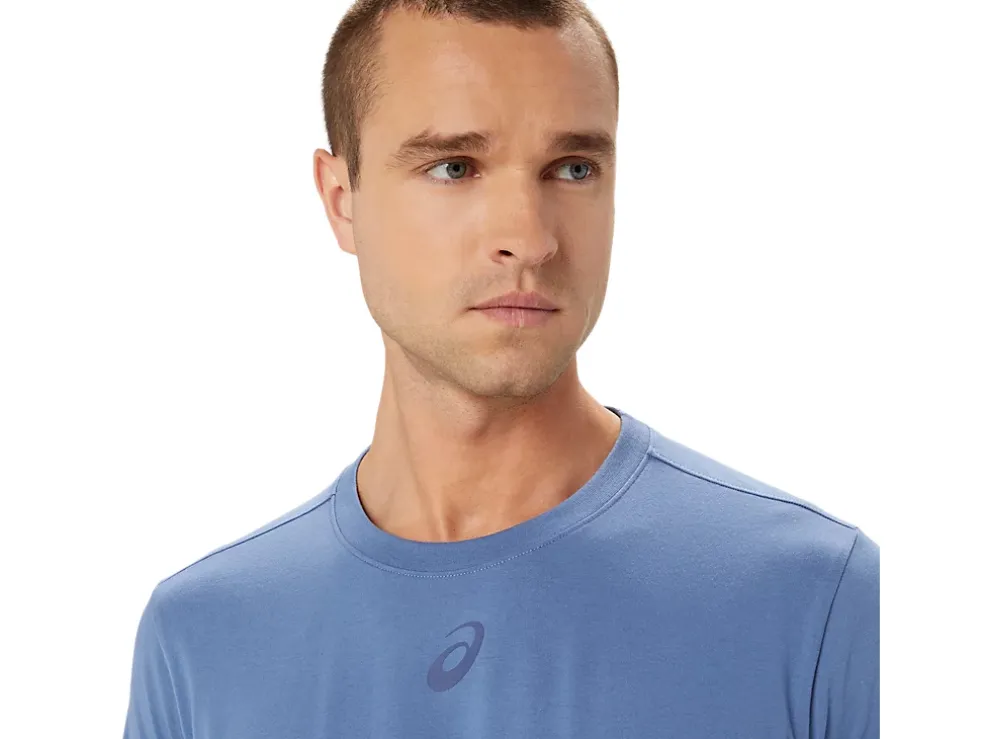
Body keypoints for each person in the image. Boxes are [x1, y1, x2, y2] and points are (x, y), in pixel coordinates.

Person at [123, 1, 879, 737]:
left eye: (573, 168)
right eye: (454, 167)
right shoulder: (202, 641)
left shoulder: (818, 601)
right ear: (342, 200)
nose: (530, 237)